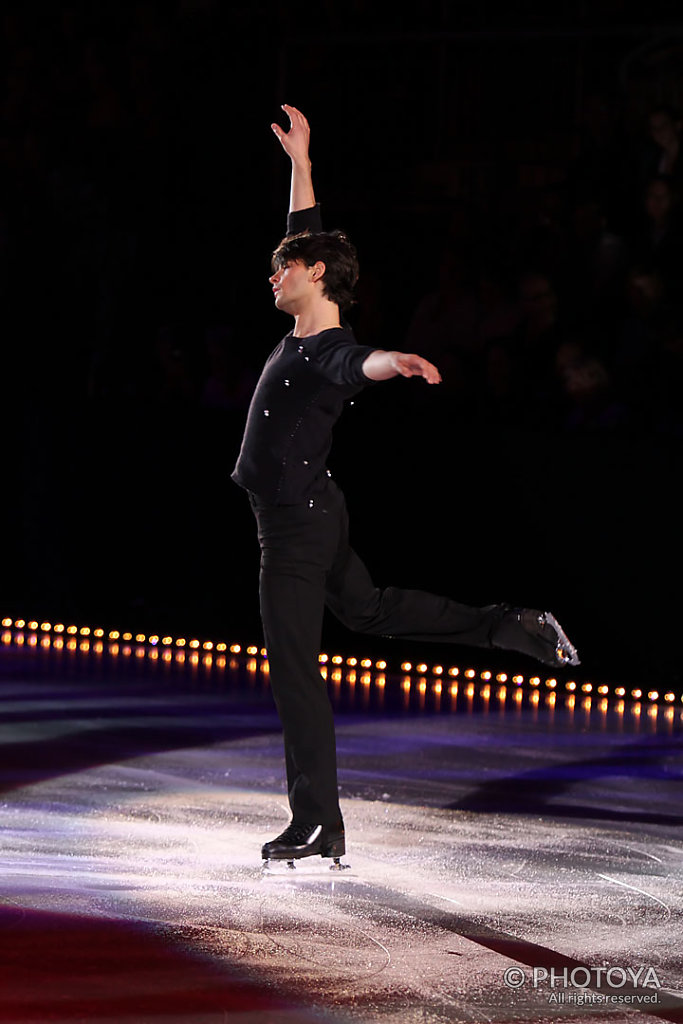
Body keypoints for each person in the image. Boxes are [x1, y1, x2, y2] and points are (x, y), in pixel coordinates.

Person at [231, 105, 579, 868]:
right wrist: (302, 162)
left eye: (282, 266)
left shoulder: (327, 348)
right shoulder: (304, 320)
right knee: (369, 609)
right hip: (311, 512)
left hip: (294, 526)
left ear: (314, 277)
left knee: (294, 670)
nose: (272, 273)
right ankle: (508, 626)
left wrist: (397, 361)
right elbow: (307, 230)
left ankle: (316, 822)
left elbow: (361, 364)